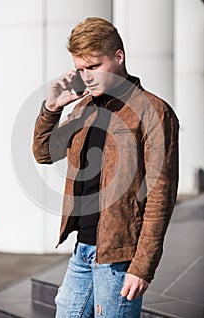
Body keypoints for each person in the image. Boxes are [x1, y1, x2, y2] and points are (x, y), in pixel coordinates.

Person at [33, 17, 179, 318]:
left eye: (94, 66)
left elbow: (159, 199)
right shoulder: (83, 108)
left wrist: (143, 267)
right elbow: (45, 153)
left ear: (118, 57)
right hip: (82, 251)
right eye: (80, 69)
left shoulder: (155, 112)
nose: (86, 77)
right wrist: (52, 109)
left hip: (121, 259)